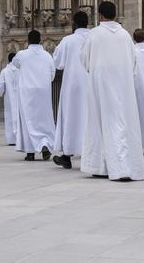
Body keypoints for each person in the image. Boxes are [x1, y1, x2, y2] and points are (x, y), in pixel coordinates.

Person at [79, 1, 144, 181]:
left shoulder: (94, 34)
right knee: (122, 122)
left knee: (100, 121)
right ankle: (123, 165)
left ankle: (107, 166)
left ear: (100, 15)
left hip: (101, 85)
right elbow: (134, 62)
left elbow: (84, 59)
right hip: (123, 86)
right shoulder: (125, 35)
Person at [53, 11, 91, 169]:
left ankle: (67, 155)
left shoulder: (67, 41)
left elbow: (57, 62)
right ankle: (92, 152)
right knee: (91, 116)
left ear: (74, 23)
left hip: (72, 86)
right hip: (92, 83)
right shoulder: (94, 37)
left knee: (71, 117)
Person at [12, 30, 56, 161]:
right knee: (44, 120)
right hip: (43, 91)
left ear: (28, 41)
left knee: (28, 120)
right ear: (40, 40)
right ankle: (45, 145)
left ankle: (30, 152)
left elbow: (15, 64)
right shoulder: (47, 55)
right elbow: (52, 74)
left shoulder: (22, 54)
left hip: (27, 91)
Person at [0, 52, 20, 146]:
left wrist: (2, 92)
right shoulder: (20, 70)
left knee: (9, 117)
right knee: (19, 117)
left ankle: (11, 140)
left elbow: (0, 85)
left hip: (9, 99)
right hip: (19, 98)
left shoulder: (4, 71)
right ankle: (19, 138)